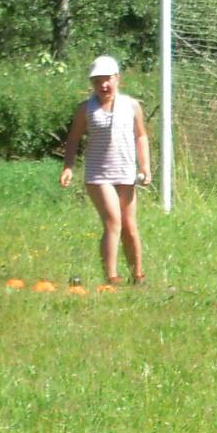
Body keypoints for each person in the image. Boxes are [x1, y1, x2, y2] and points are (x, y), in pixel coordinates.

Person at [60, 55, 152, 286]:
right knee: (113, 221)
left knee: (129, 226)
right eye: (97, 81)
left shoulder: (131, 106)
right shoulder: (86, 109)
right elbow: (73, 138)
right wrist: (68, 167)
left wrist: (145, 167)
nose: (103, 85)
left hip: (125, 172)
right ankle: (111, 279)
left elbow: (141, 136)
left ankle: (138, 277)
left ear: (117, 78)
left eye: (107, 79)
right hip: (98, 175)